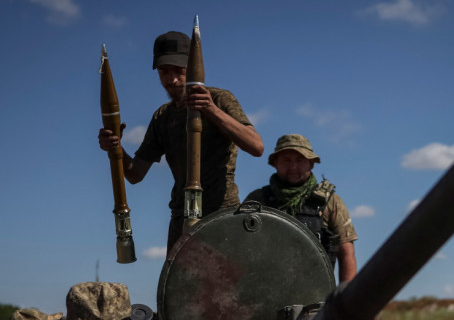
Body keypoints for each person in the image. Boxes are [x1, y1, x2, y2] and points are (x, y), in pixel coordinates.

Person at [98, 31, 264, 251]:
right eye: (164, 72)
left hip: (223, 216)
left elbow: (256, 146)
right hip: (181, 221)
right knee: (178, 285)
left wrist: (210, 110)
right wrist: (115, 149)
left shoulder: (219, 99)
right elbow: (135, 174)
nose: (172, 80)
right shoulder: (162, 117)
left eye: (180, 71)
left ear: (192, 67)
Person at [244, 134, 358, 282]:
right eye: (286, 160)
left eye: (300, 160)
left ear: (311, 163)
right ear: (275, 163)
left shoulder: (330, 202)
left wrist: (346, 299)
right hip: (265, 292)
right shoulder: (257, 200)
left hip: (315, 296)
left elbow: (346, 252)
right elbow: (239, 248)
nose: (293, 167)